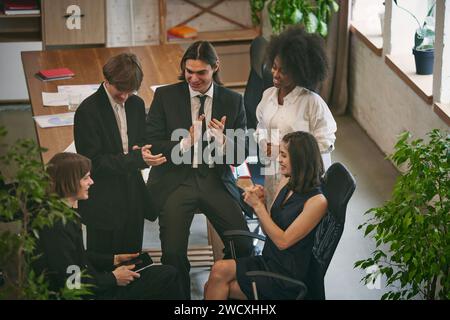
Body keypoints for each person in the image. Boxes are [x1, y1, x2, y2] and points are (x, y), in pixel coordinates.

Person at [145, 40, 253, 299]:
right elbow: (152, 143)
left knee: (243, 243)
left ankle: (223, 283)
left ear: (216, 67)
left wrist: (223, 140)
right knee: (171, 252)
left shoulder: (233, 101)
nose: (193, 78)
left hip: (215, 180)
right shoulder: (165, 96)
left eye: (201, 73)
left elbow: (240, 157)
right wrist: (185, 142)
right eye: (188, 71)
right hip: (176, 181)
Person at [34, 152, 183, 299]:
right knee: (168, 276)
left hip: (94, 282)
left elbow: (77, 257)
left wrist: (113, 259)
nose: (91, 182)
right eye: (86, 178)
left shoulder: (63, 214)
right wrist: (113, 278)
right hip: (90, 293)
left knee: (165, 273)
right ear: (70, 181)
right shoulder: (55, 226)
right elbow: (72, 282)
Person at [204, 131, 328, 300]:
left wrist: (258, 207)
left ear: (299, 159)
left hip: (286, 278)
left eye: (284, 155)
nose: (279, 159)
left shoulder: (317, 201)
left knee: (217, 286)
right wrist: (259, 204)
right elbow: (270, 226)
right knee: (218, 270)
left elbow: (283, 242)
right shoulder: (287, 180)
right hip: (269, 260)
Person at [74, 53, 166, 255]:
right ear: (107, 80)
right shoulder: (87, 112)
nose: (124, 96)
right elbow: (93, 164)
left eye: (130, 91)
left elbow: (140, 141)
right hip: (103, 199)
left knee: (132, 257)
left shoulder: (137, 104)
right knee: (105, 260)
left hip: (132, 193)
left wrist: (142, 151)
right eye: (120, 90)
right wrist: (135, 158)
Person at [255, 26, 337, 207]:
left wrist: (289, 153)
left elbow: (325, 142)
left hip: (302, 178)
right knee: (273, 214)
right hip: (273, 170)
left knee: (290, 223)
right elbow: (260, 126)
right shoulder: (268, 95)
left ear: (299, 72)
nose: (275, 74)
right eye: (274, 67)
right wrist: (264, 144)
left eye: (283, 71)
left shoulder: (312, 102)